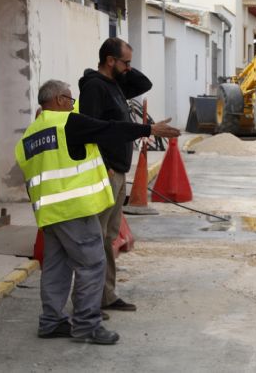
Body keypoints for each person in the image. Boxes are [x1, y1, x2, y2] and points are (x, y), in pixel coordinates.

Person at [15, 80, 179, 345]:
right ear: (58, 100)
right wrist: (149, 128)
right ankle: (87, 326)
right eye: (70, 98)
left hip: (49, 214)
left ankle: (51, 321)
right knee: (92, 264)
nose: (73, 103)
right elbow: (109, 129)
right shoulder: (68, 123)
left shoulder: (30, 134)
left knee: (56, 267)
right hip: (75, 210)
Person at [78, 37, 152, 313]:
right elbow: (91, 129)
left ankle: (105, 296)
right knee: (96, 238)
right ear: (110, 61)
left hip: (118, 171)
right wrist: (103, 166)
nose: (129, 68)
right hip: (106, 170)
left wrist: (126, 69)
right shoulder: (95, 88)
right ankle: (89, 302)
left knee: (108, 238)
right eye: (126, 62)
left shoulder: (114, 85)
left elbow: (144, 85)